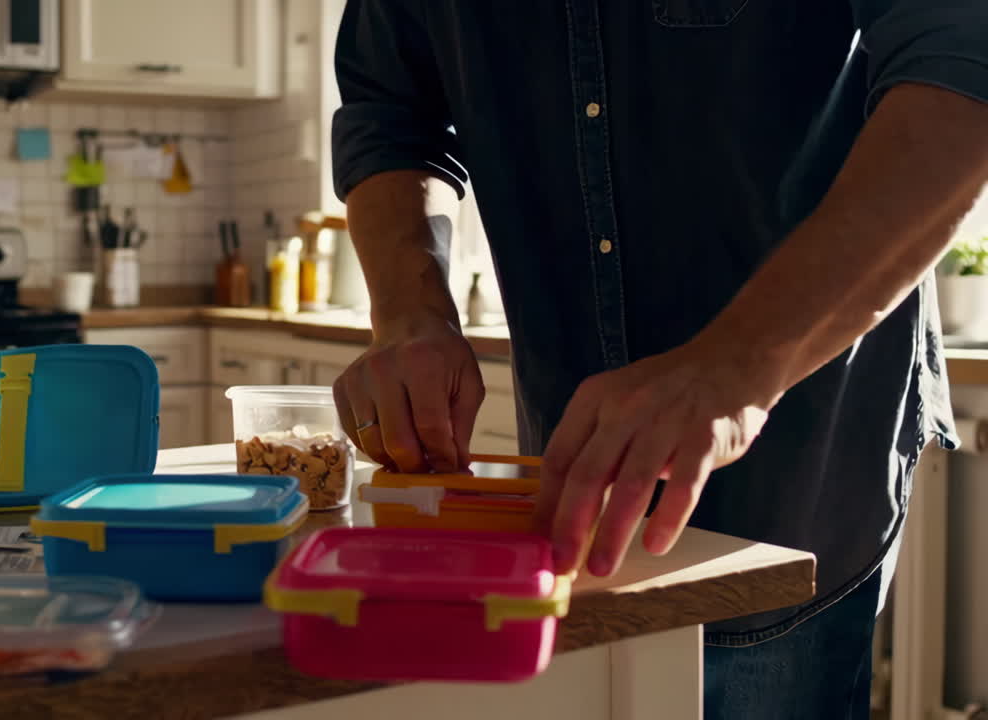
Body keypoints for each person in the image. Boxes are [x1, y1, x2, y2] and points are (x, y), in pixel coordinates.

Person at [329, 2, 987, 717]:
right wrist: (409, 311)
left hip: (799, 459)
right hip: (568, 479)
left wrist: (739, 365)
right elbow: (389, 110)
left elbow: (963, 72)